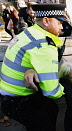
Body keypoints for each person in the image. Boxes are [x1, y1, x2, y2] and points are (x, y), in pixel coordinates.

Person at [0, 3, 66, 131]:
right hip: (20, 101)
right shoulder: (44, 46)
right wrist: (68, 89)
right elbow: (52, 92)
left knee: (50, 109)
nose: (61, 27)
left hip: (8, 97)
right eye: (59, 23)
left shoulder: (30, 32)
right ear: (46, 21)